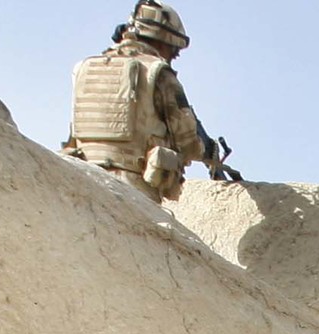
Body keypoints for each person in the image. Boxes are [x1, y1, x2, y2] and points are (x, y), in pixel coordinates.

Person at [63, 5, 234, 203]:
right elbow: (188, 144)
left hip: (82, 177)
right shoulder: (158, 72)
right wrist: (207, 150)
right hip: (133, 190)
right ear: (161, 40)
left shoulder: (85, 67)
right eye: (174, 49)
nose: (174, 55)